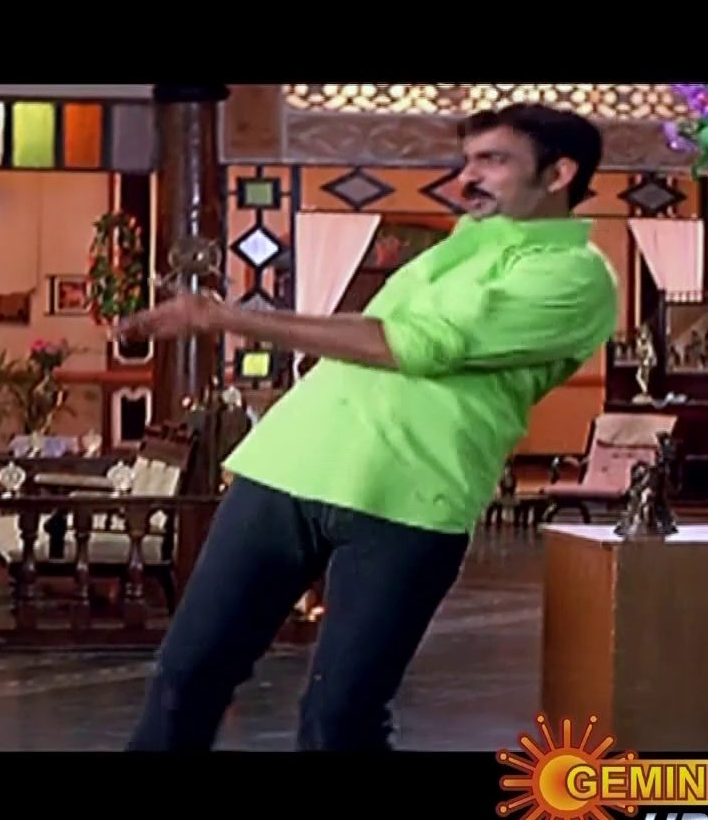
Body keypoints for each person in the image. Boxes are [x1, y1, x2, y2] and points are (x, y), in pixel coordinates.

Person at [118, 103, 620, 751]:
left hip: (410, 497)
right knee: (185, 676)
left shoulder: (576, 277)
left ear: (559, 174)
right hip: (291, 466)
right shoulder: (462, 244)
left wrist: (222, 316)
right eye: (468, 161)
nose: (468, 178)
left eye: (493, 160)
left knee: (340, 719)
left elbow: (414, 346)